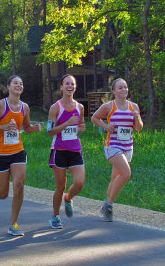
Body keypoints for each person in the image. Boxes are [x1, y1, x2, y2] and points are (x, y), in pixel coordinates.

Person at [0, 75, 42, 236]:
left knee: (19, 185)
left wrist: (34, 128)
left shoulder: (25, 107)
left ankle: (13, 224)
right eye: (16, 83)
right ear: (9, 87)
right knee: (2, 194)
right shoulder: (0, 105)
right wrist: (3, 127)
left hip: (17, 151)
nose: (19, 85)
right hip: (0, 153)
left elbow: (26, 127)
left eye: (21, 83)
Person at [91, 78, 143, 222]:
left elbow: (139, 128)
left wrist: (137, 118)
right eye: (120, 88)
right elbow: (94, 118)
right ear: (114, 91)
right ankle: (108, 205)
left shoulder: (134, 107)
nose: (124, 90)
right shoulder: (109, 106)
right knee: (126, 174)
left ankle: (106, 206)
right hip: (113, 146)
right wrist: (106, 126)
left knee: (115, 178)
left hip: (127, 147)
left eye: (125, 87)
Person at [46, 75, 86, 229]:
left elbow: (80, 125)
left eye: (73, 84)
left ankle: (68, 199)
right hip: (59, 151)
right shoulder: (55, 107)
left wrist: (81, 128)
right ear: (61, 87)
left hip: (75, 150)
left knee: (80, 183)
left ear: (75, 87)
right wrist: (66, 124)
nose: (70, 86)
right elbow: (50, 131)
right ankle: (55, 217)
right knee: (60, 187)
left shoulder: (79, 107)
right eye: (67, 84)